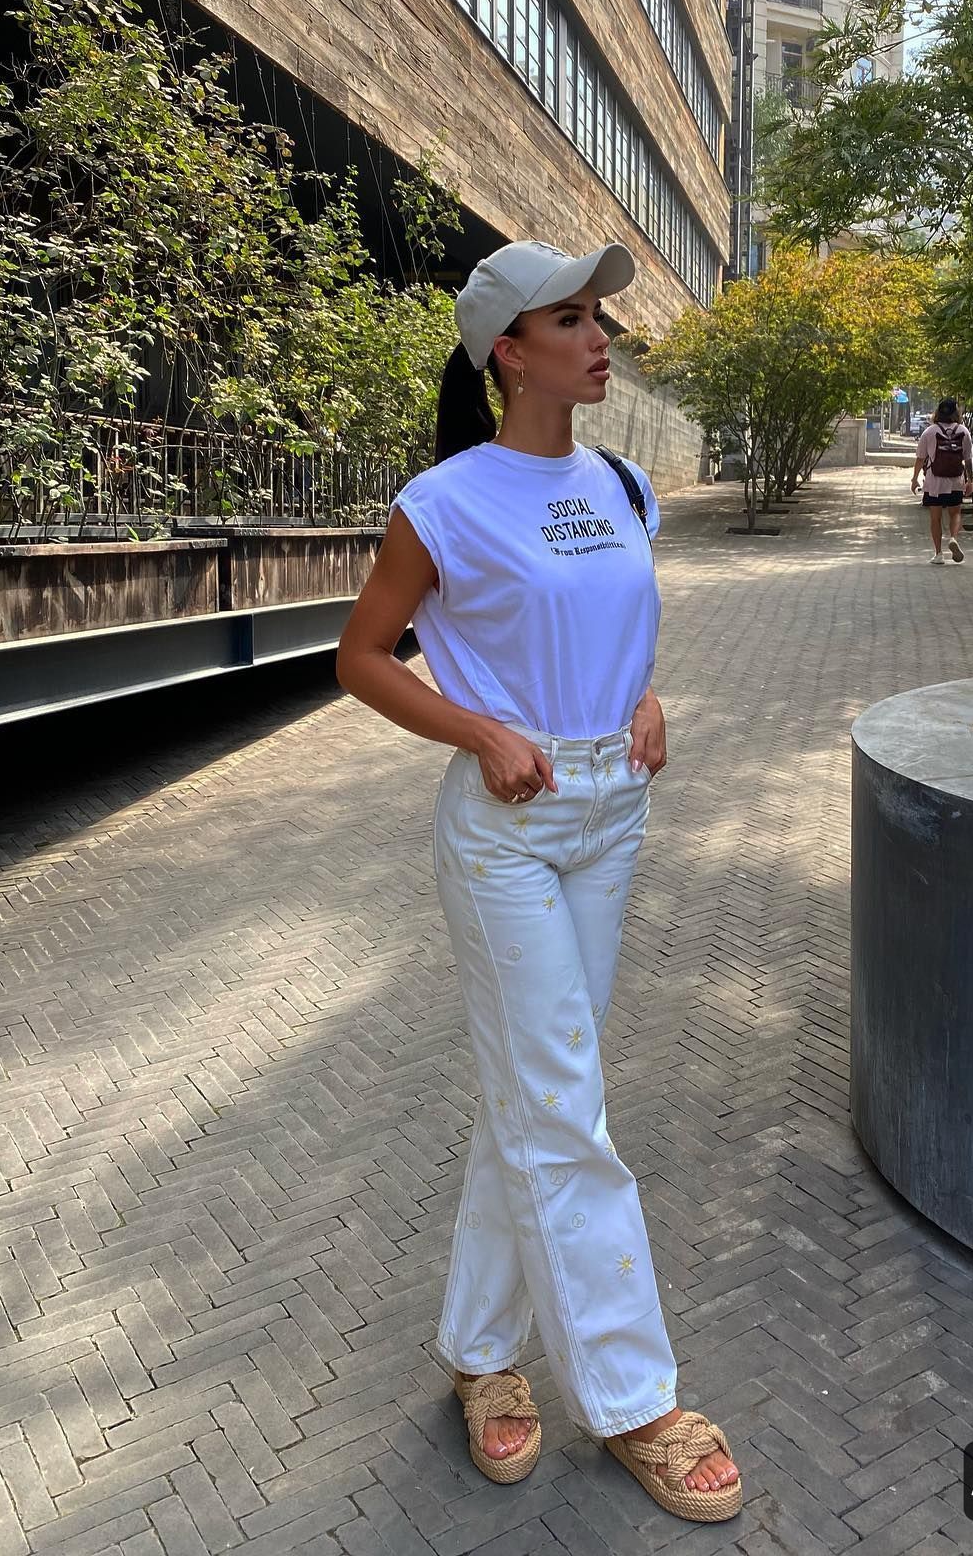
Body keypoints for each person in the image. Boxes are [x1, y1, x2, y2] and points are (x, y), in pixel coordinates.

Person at [334, 240, 743, 1524]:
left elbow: (604, 630)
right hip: (507, 828)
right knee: (564, 1101)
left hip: (612, 814)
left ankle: (481, 1349)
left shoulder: (623, 484)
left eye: (597, 315)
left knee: (538, 1090)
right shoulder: (443, 502)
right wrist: (478, 732)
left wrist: (646, 697)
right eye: (570, 318)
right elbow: (361, 656)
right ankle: (634, 1400)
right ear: (509, 352)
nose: (599, 336)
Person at [912, 398, 973, 564]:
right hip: (956, 480)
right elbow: (968, 459)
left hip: (935, 481)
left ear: (937, 412)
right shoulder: (963, 431)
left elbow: (920, 458)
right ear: (956, 412)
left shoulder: (929, 432)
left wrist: (914, 479)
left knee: (935, 518)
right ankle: (953, 538)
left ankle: (938, 554)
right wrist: (970, 481)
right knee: (955, 513)